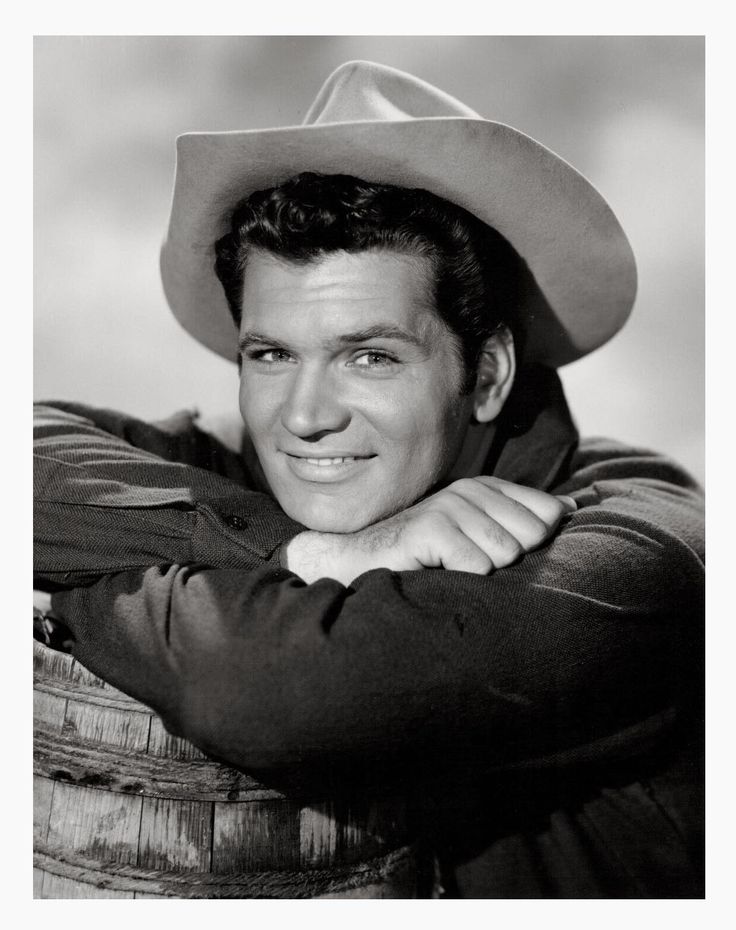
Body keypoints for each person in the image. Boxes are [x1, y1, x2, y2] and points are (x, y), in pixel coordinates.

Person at [34, 61, 704, 898]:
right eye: (272, 355)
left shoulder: (641, 548)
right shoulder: (252, 469)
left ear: (489, 373)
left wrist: (82, 577)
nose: (306, 415)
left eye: (371, 356)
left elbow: (264, 694)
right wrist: (303, 552)